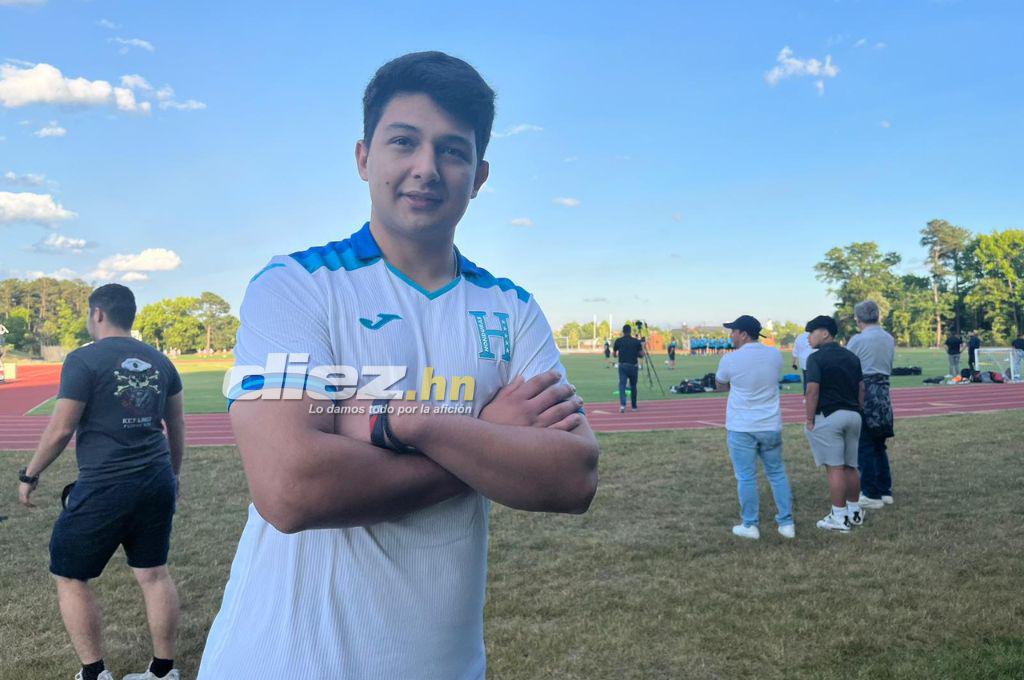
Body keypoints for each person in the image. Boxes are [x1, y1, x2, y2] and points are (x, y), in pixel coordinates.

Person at [198, 52, 599, 680]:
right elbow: (290, 489)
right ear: (364, 157)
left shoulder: (512, 308)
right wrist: (485, 435)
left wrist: (410, 425)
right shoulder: (297, 285)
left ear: (480, 174)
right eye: (403, 142)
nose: (426, 169)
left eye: (453, 151)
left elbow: (572, 479)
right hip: (284, 661)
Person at [17, 284, 186, 680]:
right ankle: (163, 672)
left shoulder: (83, 360)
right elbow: (176, 426)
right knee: (154, 574)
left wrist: (30, 474)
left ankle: (94, 673)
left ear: (97, 314)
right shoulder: (161, 361)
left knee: (70, 575)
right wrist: (173, 477)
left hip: (106, 484)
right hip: (156, 479)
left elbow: (61, 429)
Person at [714, 315, 794, 540]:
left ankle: (750, 524)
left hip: (742, 426)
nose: (731, 335)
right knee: (777, 473)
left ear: (744, 334)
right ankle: (786, 522)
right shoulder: (775, 354)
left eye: (733, 331)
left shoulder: (730, 360)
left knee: (746, 476)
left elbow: (721, 385)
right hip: (770, 423)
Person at [803, 315, 865, 533]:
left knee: (835, 468)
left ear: (825, 333)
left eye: (812, 332)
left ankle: (839, 516)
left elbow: (812, 391)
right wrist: (858, 409)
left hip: (829, 415)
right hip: (853, 415)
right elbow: (861, 388)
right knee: (851, 466)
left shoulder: (815, 359)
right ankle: (854, 511)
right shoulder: (852, 357)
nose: (809, 338)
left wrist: (809, 419)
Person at [846, 300, 896, 509]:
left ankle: (871, 493)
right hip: (883, 392)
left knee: (864, 444)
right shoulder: (888, 338)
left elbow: (847, 363)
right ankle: (885, 490)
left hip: (865, 391)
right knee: (879, 443)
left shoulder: (858, 339)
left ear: (858, 319)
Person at [614, 324, 644, 413]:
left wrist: (619, 354)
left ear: (623, 331)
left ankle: (622, 405)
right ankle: (634, 407)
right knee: (633, 386)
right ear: (630, 331)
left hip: (623, 366)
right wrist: (642, 345)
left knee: (622, 385)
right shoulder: (636, 341)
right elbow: (641, 355)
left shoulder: (618, 341)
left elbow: (614, 354)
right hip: (633, 366)